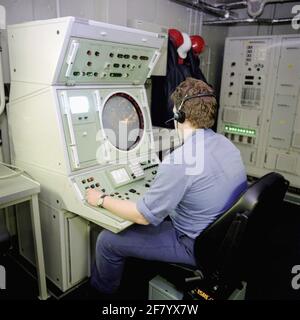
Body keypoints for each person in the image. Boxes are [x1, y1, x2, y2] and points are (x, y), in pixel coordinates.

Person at [86, 77, 247, 296]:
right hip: (224, 236)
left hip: (194, 244)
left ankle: (100, 294)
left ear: (179, 114)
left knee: (107, 240)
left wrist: (101, 199)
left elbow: (141, 216)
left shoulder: (179, 160)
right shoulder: (225, 144)